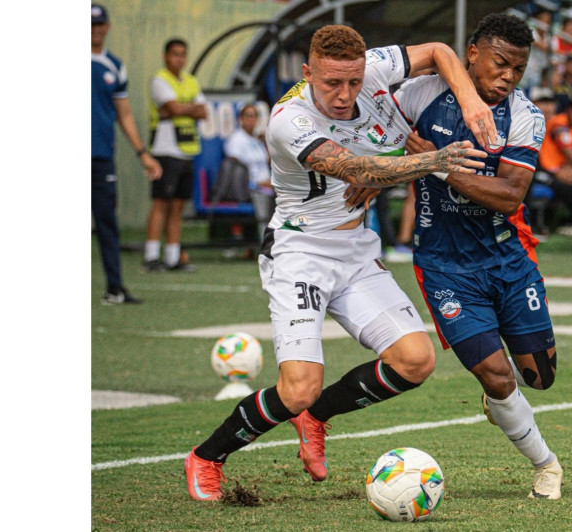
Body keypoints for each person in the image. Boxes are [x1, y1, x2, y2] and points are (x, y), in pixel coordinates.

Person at [183, 24, 495, 502]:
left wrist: (470, 100)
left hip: (356, 251)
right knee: (298, 389)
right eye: (332, 83)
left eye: (354, 81)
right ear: (308, 73)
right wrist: (436, 159)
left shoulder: (372, 69)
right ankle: (207, 457)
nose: (346, 94)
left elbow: (437, 51)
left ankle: (316, 419)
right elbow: (357, 169)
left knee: (415, 361)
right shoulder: (290, 119)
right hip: (300, 254)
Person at [395, 12, 563, 500]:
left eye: (518, 69)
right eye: (500, 64)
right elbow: (375, 133)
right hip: (444, 266)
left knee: (540, 377)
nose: (508, 77)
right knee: (496, 373)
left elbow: (511, 194)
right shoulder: (420, 94)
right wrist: (373, 172)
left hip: (507, 259)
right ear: (472, 54)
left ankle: (503, 400)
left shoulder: (526, 116)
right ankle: (546, 465)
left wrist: (437, 165)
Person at [91, 4, 161, 304]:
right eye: (89, 25)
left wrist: (142, 153)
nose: (95, 29)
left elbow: (125, 115)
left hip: (100, 156)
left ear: (107, 26)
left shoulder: (114, 66)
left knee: (107, 222)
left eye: (99, 24)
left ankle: (115, 288)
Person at [142, 38, 207, 272]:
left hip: (187, 150)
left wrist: (180, 108)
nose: (179, 58)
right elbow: (176, 108)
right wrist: (184, 108)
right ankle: (150, 256)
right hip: (164, 151)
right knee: (161, 203)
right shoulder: (159, 80)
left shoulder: (191, 81)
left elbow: (202, 112)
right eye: (174, 54)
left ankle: (172, 257)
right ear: (165, 56)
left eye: (182, 54)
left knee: (178, 206)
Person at [223, 103, 274, 237]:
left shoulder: (257, 140)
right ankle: (265, 242)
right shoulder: (236, 140)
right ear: (241, 119)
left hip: (268, 184)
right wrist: (257, 184)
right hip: (249, 187)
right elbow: (234, 171)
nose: (251, 120)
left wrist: (266, 143)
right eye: (248, 116)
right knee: (266, 195)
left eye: (254, 116)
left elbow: (269, 162)